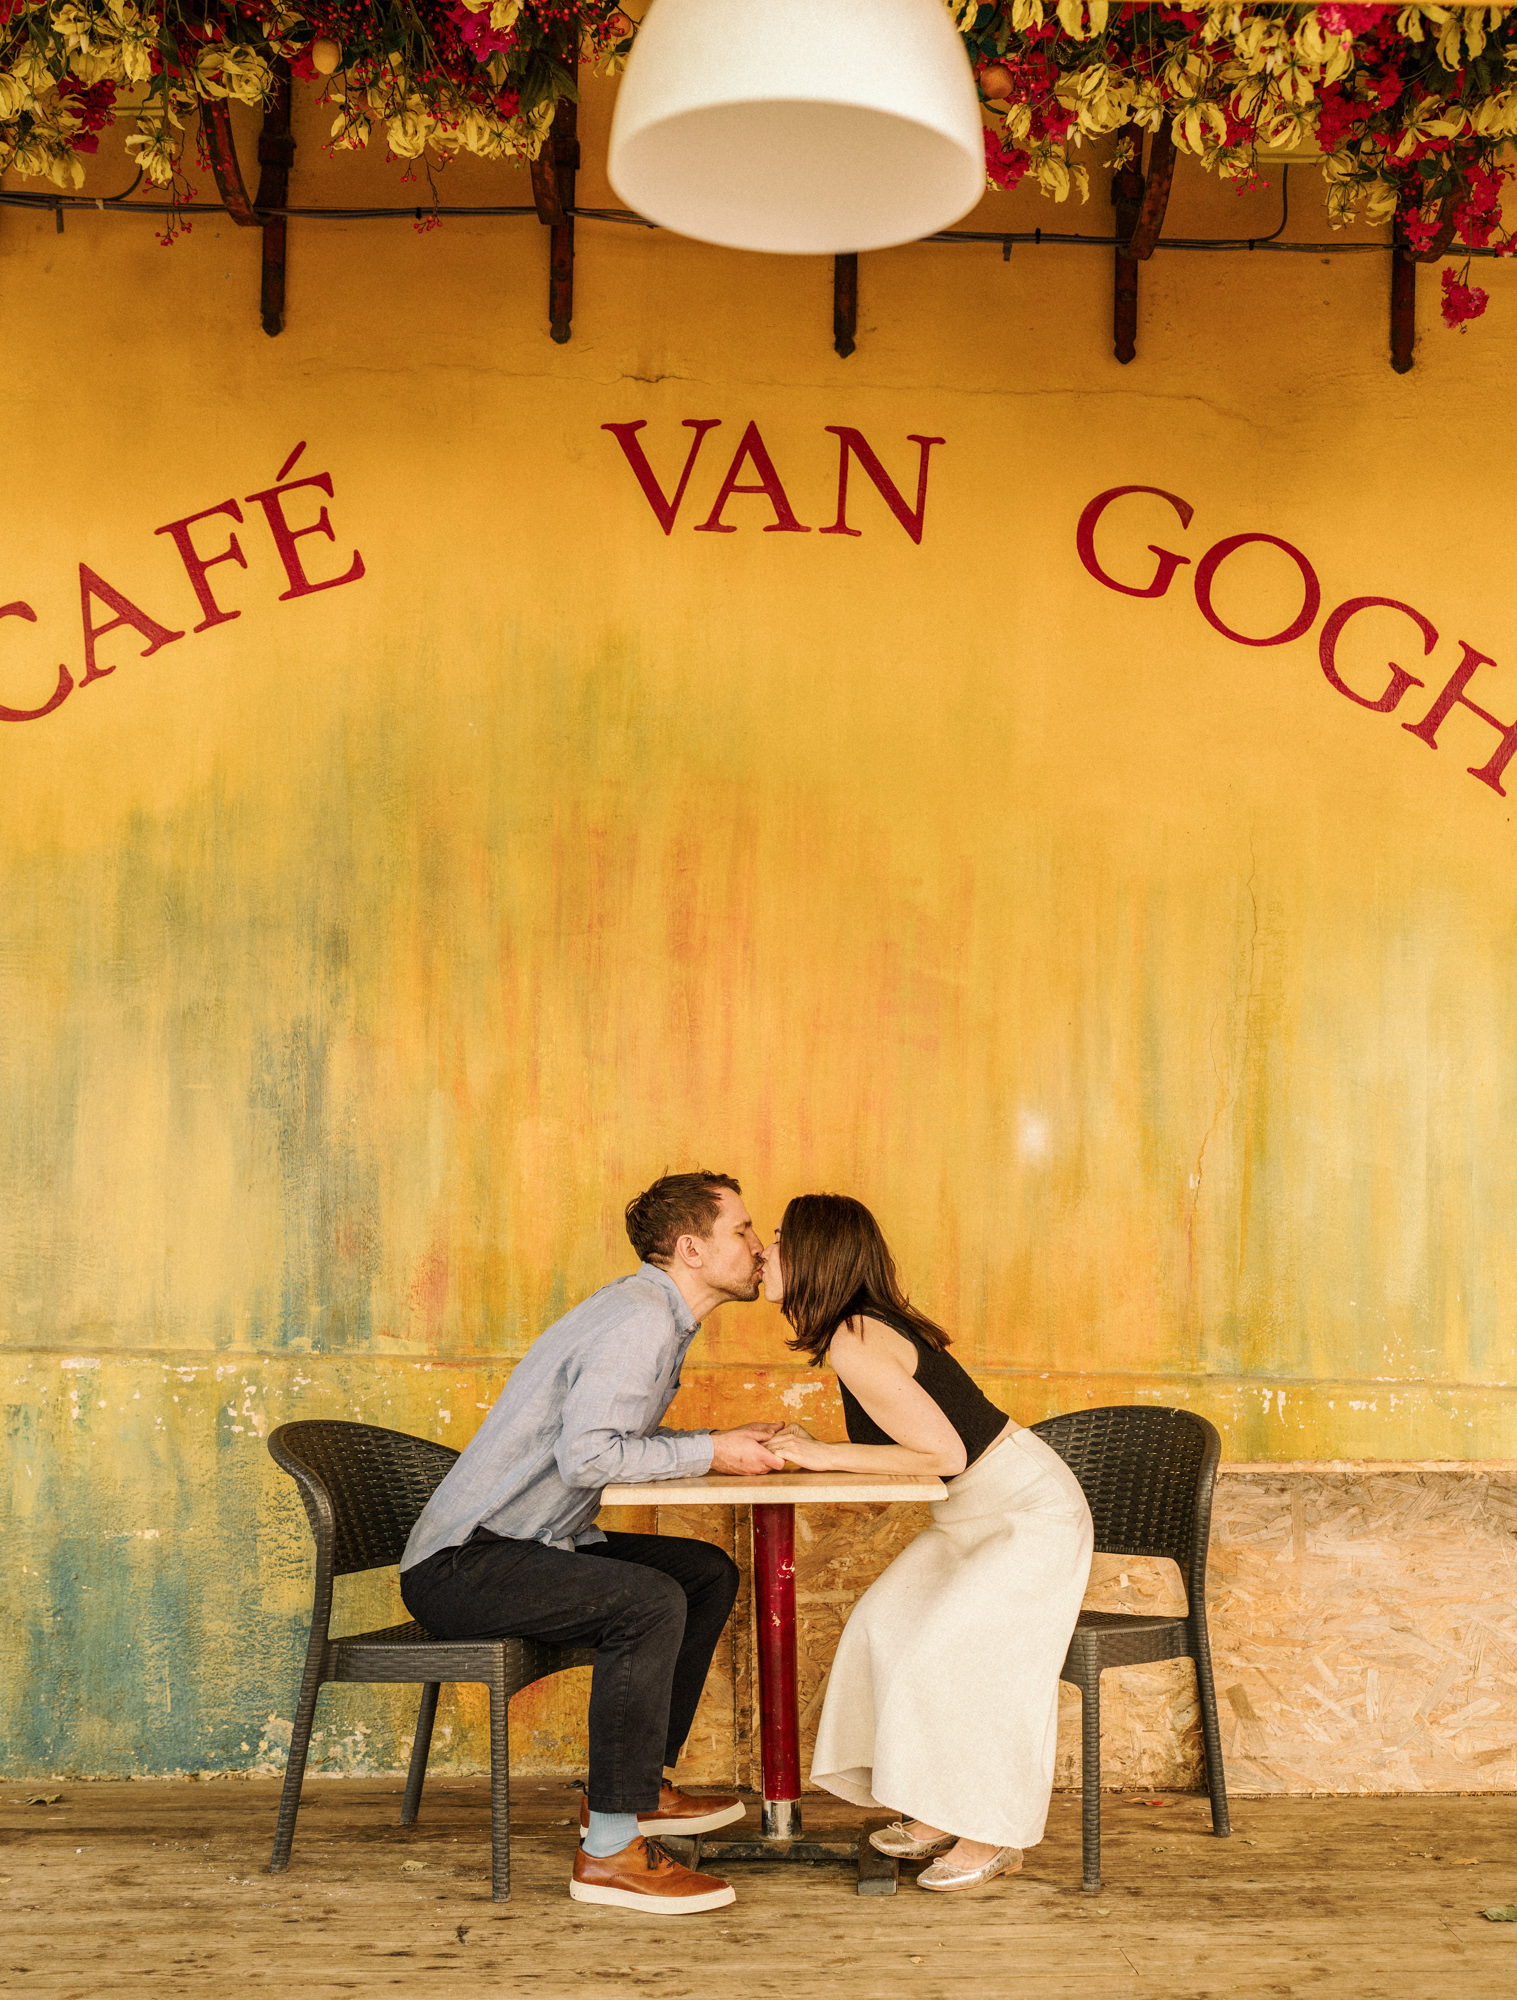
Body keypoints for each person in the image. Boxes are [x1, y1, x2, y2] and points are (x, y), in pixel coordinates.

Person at [400, 1171, 787, 1915]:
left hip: (530, 1543)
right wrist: (710, 1453)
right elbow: (590, 1459)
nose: (758, 1244)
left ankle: (637, 1791)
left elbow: (609, 1442)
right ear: (691, 1249)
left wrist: (715, 1442)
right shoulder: (639, 1322)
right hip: (463, 1565)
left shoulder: (653, 1313)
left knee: (703, 1572)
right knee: (645, 1602)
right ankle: (608, 1850)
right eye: (741, 1229)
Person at [760, 1193, 1093, 1893]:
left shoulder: (854, 1338)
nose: (765, 1250)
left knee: (954, 1654)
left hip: (1026, 1515)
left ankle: (990, 1831)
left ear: (816, 1256)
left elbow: (940, 1452)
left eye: (781, 1241)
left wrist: (821, 1456)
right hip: (967, 1518)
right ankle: (936, 1806)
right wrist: (822, 1454)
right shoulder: (853, 1331)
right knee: (884, 1628)